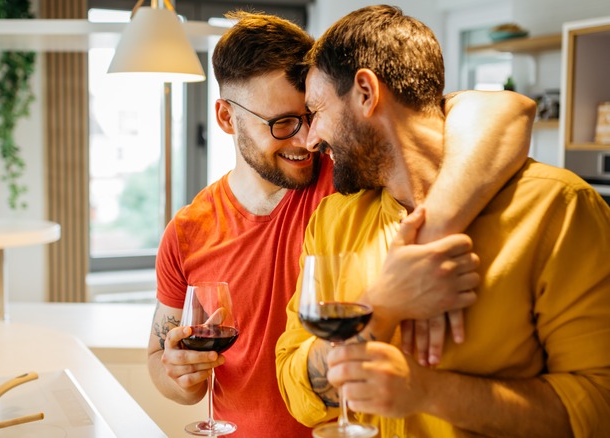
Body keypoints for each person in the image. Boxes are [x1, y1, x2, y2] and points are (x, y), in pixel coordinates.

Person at [149, 10, 536, 437]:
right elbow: (158, 360)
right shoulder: (188, 231)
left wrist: (435, 229)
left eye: (311, 114)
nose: (307, 139)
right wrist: (180, 376)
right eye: (283, 123)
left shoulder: (350, 176)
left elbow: (506, 109)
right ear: (226, 118)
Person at [275, 5, 610, 437]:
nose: (310, 139)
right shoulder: (332, 220)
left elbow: (598, 408)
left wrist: (429, 393)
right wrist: (381, 307)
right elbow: (294, 387)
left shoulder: (559, 208)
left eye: (317, 111)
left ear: (366, 92)